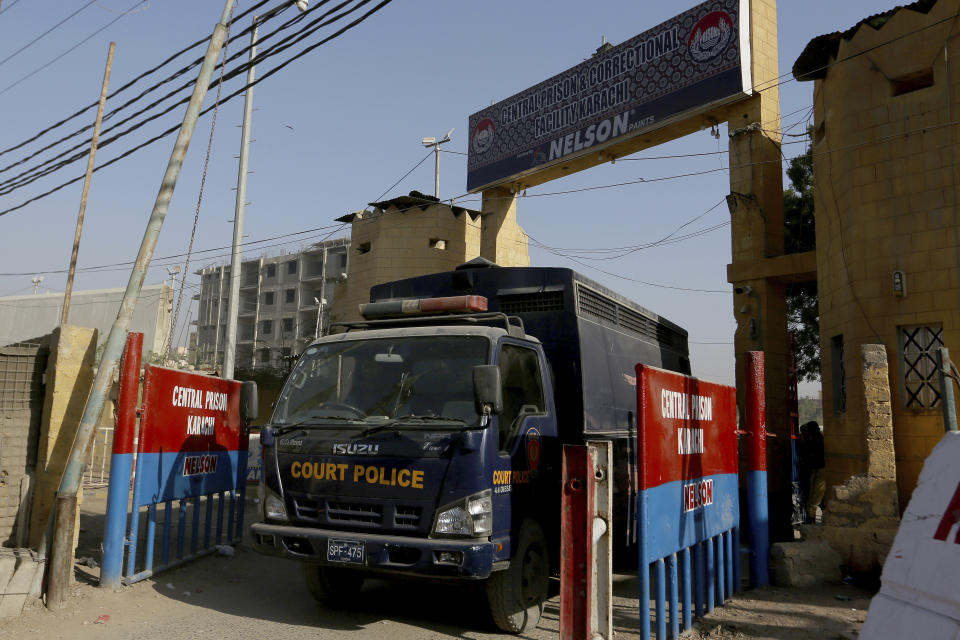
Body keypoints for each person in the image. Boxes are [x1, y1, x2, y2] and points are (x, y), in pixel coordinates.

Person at [799, 420, 825, 524]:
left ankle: (810, 517)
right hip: (815, 469)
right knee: (815, 494)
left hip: (818, 469)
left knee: (815, 495)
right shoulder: (817, 439)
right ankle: (810, 517)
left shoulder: (814, 440)